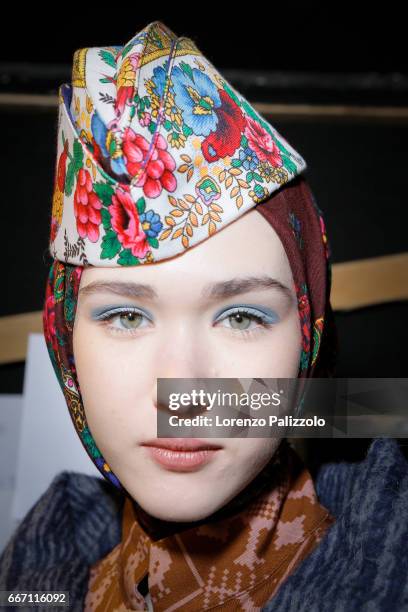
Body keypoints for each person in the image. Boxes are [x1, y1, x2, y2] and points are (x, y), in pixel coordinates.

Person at [0, 20, 407, 612]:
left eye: (242, 317)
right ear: (67, 346)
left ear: (309, 347)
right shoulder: (34, 580)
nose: (180, 391)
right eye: (125, 315)